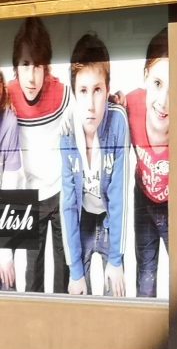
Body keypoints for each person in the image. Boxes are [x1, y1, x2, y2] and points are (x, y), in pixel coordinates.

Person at [59, 32, 129, 297]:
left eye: (97, 90)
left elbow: (120, 195)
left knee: (118, 291)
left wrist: (116, 259)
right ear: (74, 94)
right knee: (78, 293)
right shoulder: (66, 132)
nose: (90, 104)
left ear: (108, 90)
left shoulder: (118, 121)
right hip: (84, 219)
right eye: (83, 91)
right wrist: (75, 271)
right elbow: (67, 204)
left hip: (110, 217)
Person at [8, 17, 70, 293]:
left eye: (38, 65)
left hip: (59, 192)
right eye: (25, 64)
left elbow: (85, 111)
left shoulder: (61, 93)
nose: (31, 77)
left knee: (63, 267)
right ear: (15, 66)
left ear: (47, 66)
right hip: (26, 194)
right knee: (31, 272)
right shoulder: (7, 96)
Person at [126, 28, 170, 298]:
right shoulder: (131, 104)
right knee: (145, 271)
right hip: (143, 197)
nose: (163, 101)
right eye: (157, 83)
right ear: (145, 77)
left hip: (172, 203)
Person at [0, 71, 23, 291]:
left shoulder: (8, 121)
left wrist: (4, 253)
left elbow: (10, 187)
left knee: (7, 284)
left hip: (3, 217)